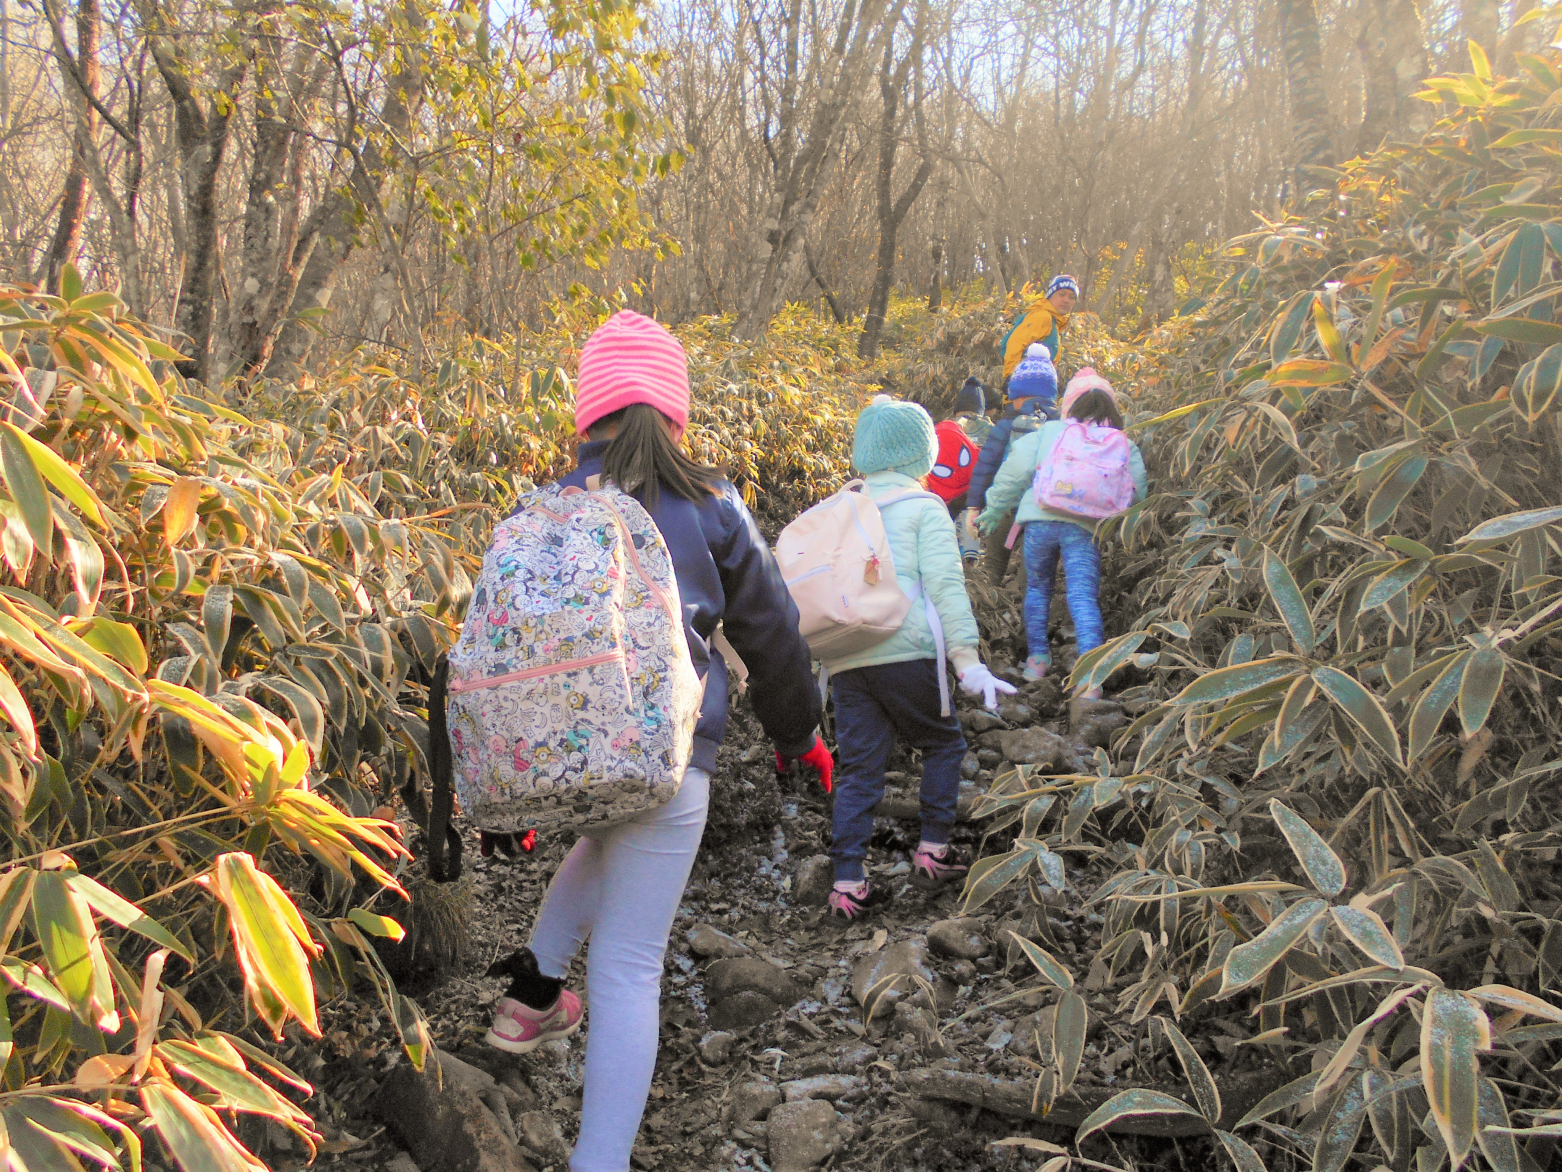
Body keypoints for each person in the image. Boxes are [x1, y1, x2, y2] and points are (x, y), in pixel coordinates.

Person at [484, 310, 829, 1171]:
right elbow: (773, 634)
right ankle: (598, 1162)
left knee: (600, 843)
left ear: (585, 416)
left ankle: (531, 993)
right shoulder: (713, 506)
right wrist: (799, 736)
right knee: (632, 965)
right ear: (675, 415)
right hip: (668, 765)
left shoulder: (548, 509)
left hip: (565, 757)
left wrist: (505, 782)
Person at [820, 395, 1016, 919]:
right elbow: (947, 585)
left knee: (860, 768)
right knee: (941, 743)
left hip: (845, 656)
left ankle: (847, 881)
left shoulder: (839, 509)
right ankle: (933, 850)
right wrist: (967, 660)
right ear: (921, 455)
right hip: (907, 651)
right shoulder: (925, 508)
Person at [976, 374, 1147, 691]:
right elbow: (1137, 493)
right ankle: (1091, 677)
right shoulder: (1121, 441)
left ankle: (1037, 661)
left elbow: (1016, 471)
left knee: (1038, 589)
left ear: (1069, 403)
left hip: (1040, 521)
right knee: (1083, 596)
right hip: (1085, 528)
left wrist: (995, 508)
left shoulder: (1050, 432)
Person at [963, 344, 1057, 587]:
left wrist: (974, 505)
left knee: (993, 565)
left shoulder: (1007, 424)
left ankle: (985, 616)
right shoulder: (1062, 424)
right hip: (1044, 508)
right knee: (1035, 575)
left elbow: (986, 465)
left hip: (1005, 507)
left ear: (1019, 395)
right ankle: (1025, 618)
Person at [1000, 274, 1078, 381]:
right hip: (1023, 388)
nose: (1066, 300)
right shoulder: (1042, 316)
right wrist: (1011, 376)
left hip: (1036, 388)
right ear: (1050, 295)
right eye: (1062, 294)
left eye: (1072, 297)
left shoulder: (1055, 323)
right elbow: (1015, 343)